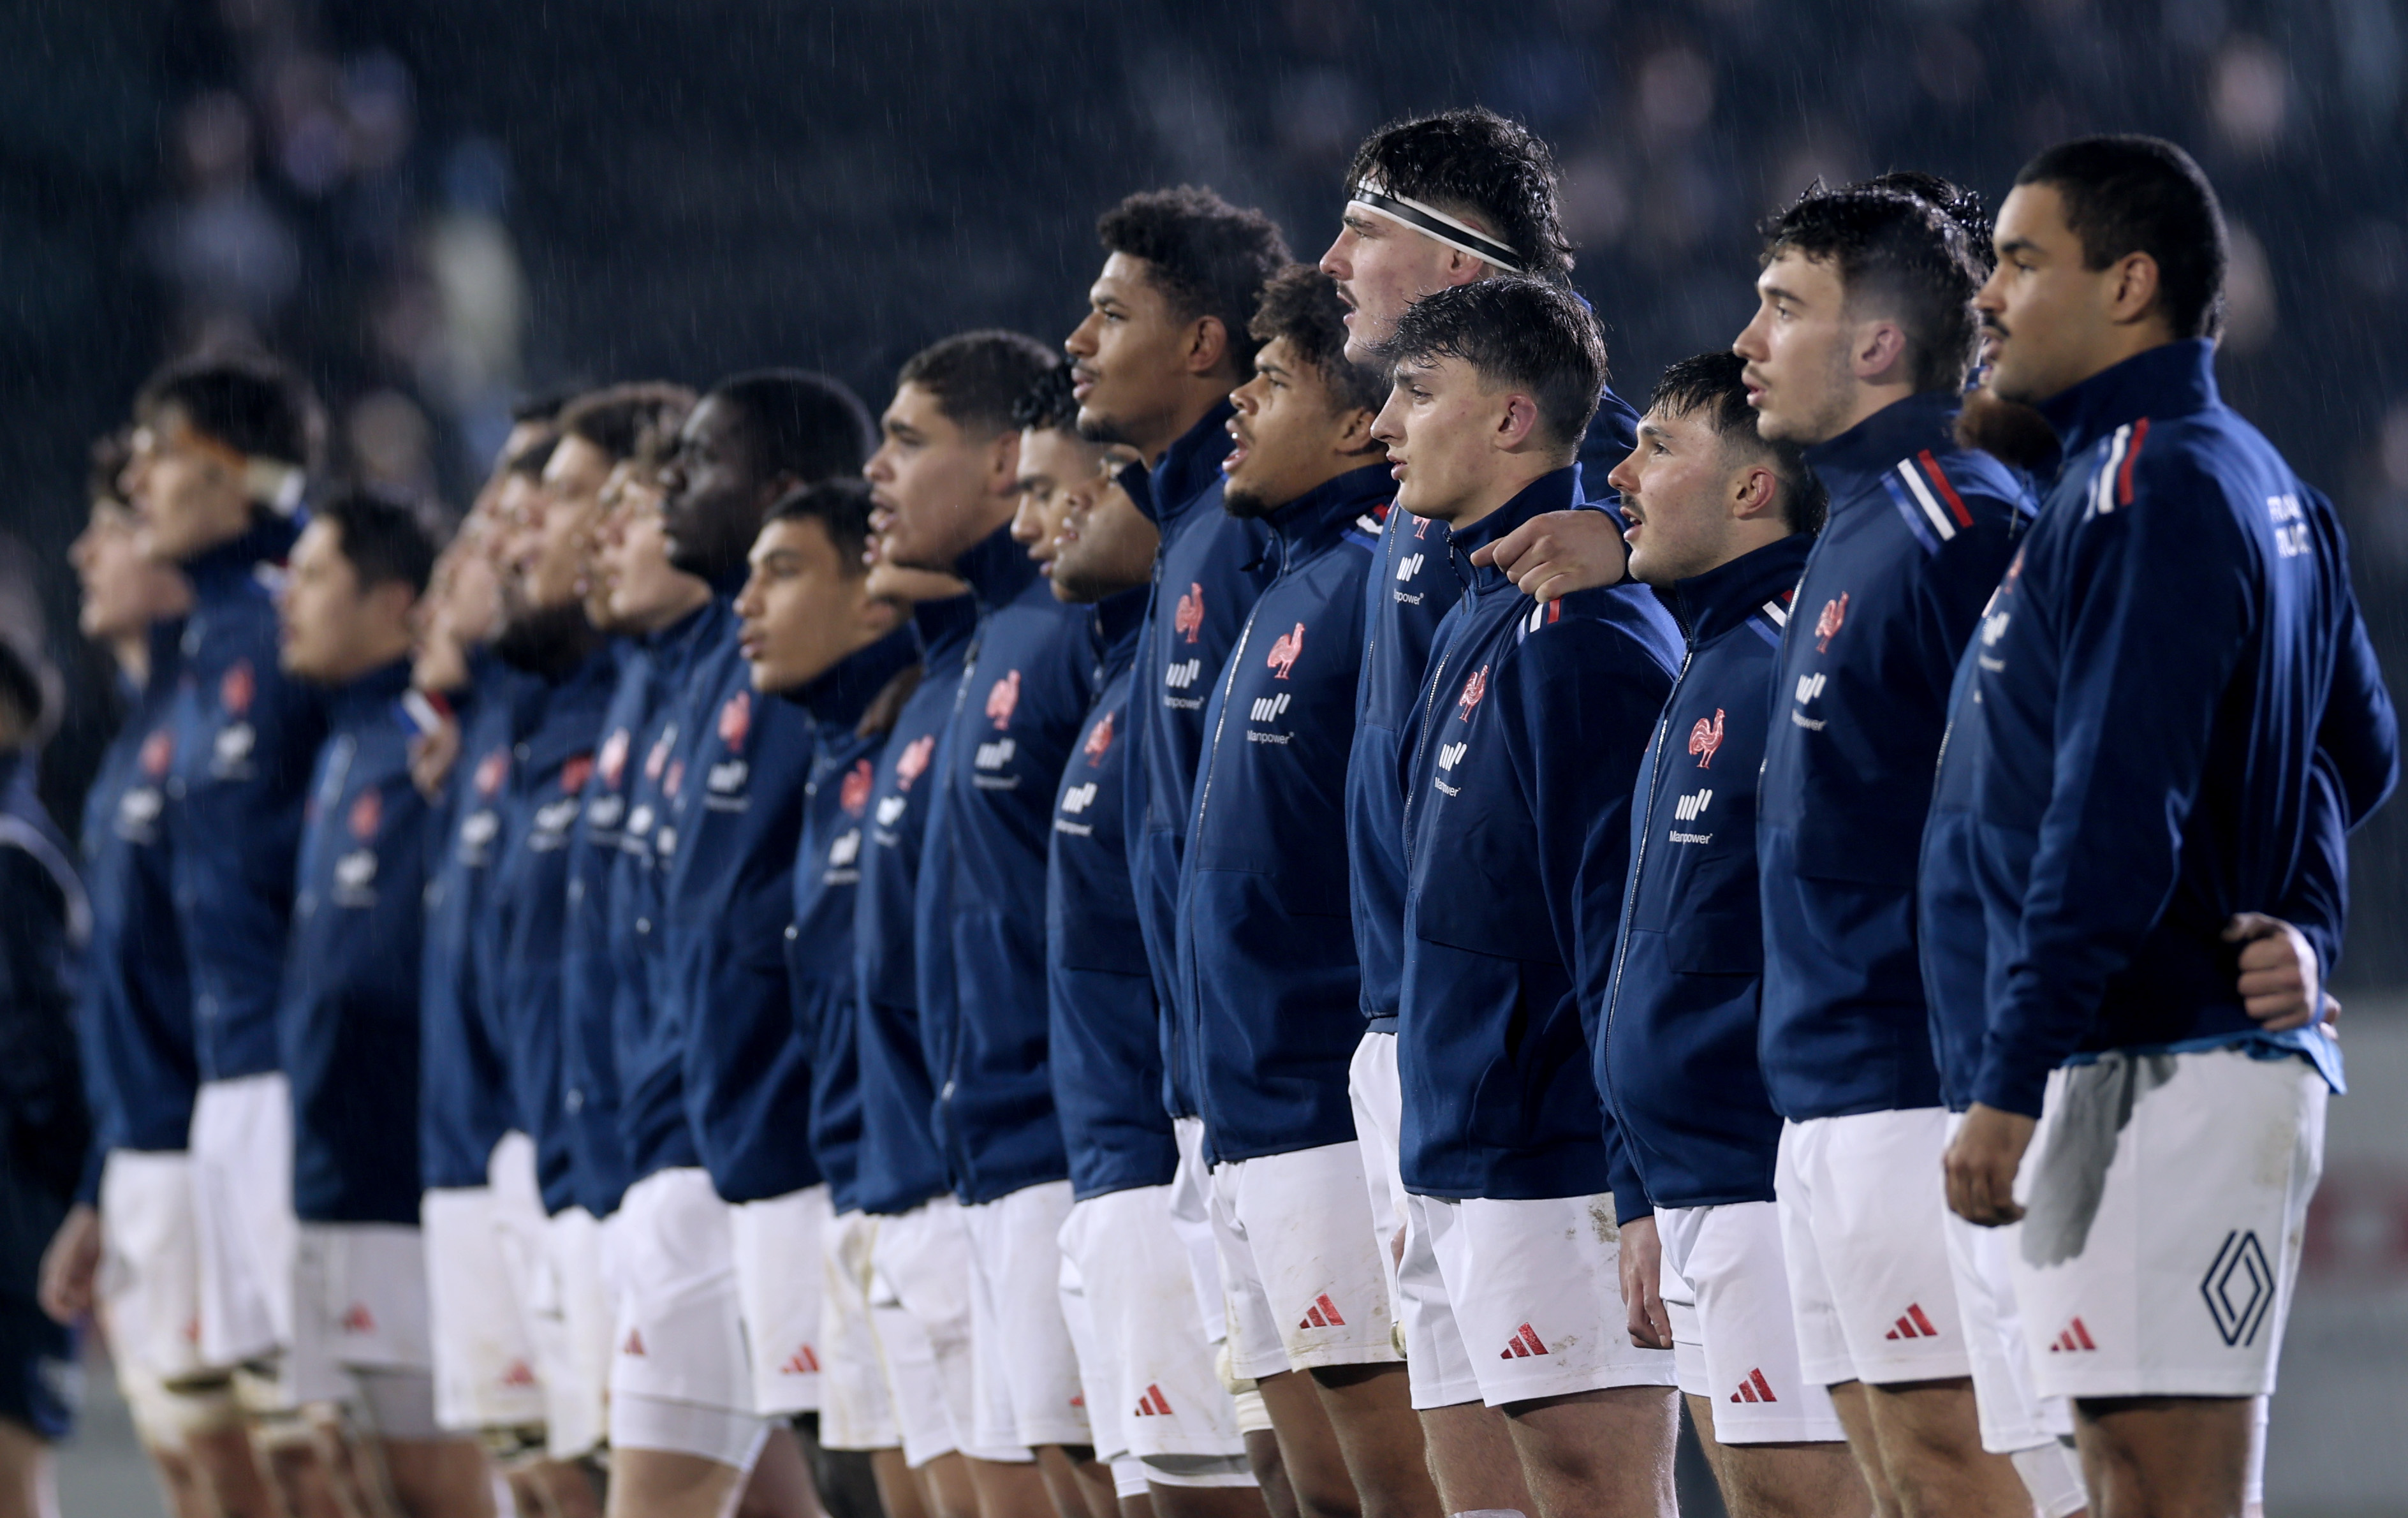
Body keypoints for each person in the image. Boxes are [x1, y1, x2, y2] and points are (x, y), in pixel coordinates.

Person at [1941, 135, 2398, 1518]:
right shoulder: (2240, 476)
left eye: (2022, 262)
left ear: (2129, 283)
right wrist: (2304, 916)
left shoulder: (2150, 483)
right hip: (2156, 1051)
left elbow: (2113, 809)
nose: (1989, 296)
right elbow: (2356, 743)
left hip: (2167, 1056)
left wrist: (2011, 1073)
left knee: (2169, 1489)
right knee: (2132, 1483)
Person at [1723, 180, 2038, 1517]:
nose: (1747, 338)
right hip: (1825, 1093)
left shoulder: (1958, 524)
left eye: (1782, 307)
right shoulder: (1853, 522)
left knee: (1960, 1474)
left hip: (1917, 1082)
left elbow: (2040, 801)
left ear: (1874, 345)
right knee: (1895, 1483)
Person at [1376, 277, 1680, 1518]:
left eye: (1414, 390)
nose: (1382, 420)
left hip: (1552, 1151)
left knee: (1593, 1489)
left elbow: (1619, 932)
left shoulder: (1591, 635)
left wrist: (1638, 1177)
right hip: (1458, 1144)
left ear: (1511, 419)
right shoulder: (1486, 611)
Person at [1173, 263, 1433, 1518]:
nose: (1238, 406)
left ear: (1351, 423)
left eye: (1269, 382)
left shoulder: (1374, 577)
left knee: (1398, 1494)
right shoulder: (1279, 586)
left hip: (1326, 1100)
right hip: (1244, 1108)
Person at [1589, 353, 1865, 1518]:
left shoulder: (1792, 659)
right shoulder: (1709, 658)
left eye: (1659, 447)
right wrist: (1643, 1183)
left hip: (1764, 1176)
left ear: (1753, 490)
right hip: (1697, 1180)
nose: (1621, 473)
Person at [608, 369, 873, 1518]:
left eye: (700, 463)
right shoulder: (716, 663)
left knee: (877, 1482)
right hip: (703, 1138)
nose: (673, 488)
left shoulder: (813, 667)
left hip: (795, 1151)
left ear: (779, 489)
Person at [871, 332, 1113, 1518]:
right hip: (974, 1151)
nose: (881, 472)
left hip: (1070, 1142)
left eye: (908, 442)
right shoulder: (968, 658)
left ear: (1003, 459)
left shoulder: (1068, 626)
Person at [45, 436, 280, 1518]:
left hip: (213, 1144)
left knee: (271, 1479)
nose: (89, 550)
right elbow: (128, 991)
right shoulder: (143, 734)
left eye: (118, 524)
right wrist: (101, 1183)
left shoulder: (225, 704)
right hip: (146, 1153)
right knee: (195, 1479)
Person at [124, 353, 345, 1501]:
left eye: (160, 454)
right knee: (288, 1448)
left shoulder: (287, 628)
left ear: (232, 475)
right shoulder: (209, 647)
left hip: (297, 1078)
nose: (139, 482)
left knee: (348, 1442)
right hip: (228, 1083)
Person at [273, 487, 499, 1515]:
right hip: (326, 1171)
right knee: (352, 1476)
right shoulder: (339, 746)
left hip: (401, 1172)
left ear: (393, 601)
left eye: (315, 577)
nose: (292, 599)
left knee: (440, 1486)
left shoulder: (428, 744)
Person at [733, 478, 923, 1518]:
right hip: (854, 1180)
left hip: (931, 1185)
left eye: (784, 571)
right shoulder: (835, 751)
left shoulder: (905, 739)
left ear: (874, 597)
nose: (745, 605)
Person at [1320, 108, 1642, 611]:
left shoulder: (1575, 425)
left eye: (1364, 233)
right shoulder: (1427, 423)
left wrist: (1621, 533)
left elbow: (1696, 556)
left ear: (1459, 258)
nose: (1331, 260)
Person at [415, 434, 557, 1468]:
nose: (482, 553)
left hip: (556, 1149)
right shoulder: (481, 733)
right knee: (537, 1475)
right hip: (478, 1147)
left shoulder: (552, 716)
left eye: (509, 521)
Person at [0, 631, 91, 1518]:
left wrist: (69, 1188)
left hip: (13, 1227)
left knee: (13, 1479)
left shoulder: (13, 854)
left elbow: (41, 1046)